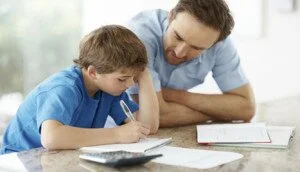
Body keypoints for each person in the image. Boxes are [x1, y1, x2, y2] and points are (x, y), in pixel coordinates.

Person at [0, 25, 159, 154]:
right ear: (93, 72)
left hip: (56, 158)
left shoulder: (110, 90)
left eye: (133, 77)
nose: (131, 84)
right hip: (18, 160)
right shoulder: (64, 88)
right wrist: (117, 134)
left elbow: (147, 127)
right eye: (123, 79)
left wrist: (144, 76)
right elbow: (51, 138)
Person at [126, 0, 256, 127]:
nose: (179, 52)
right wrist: (221, 114)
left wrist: (176, 96)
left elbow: (246, 108)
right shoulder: (140, 36)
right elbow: (155, 116)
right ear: (171, 16)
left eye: (196, 48)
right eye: (178, 37)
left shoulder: (218, 42)